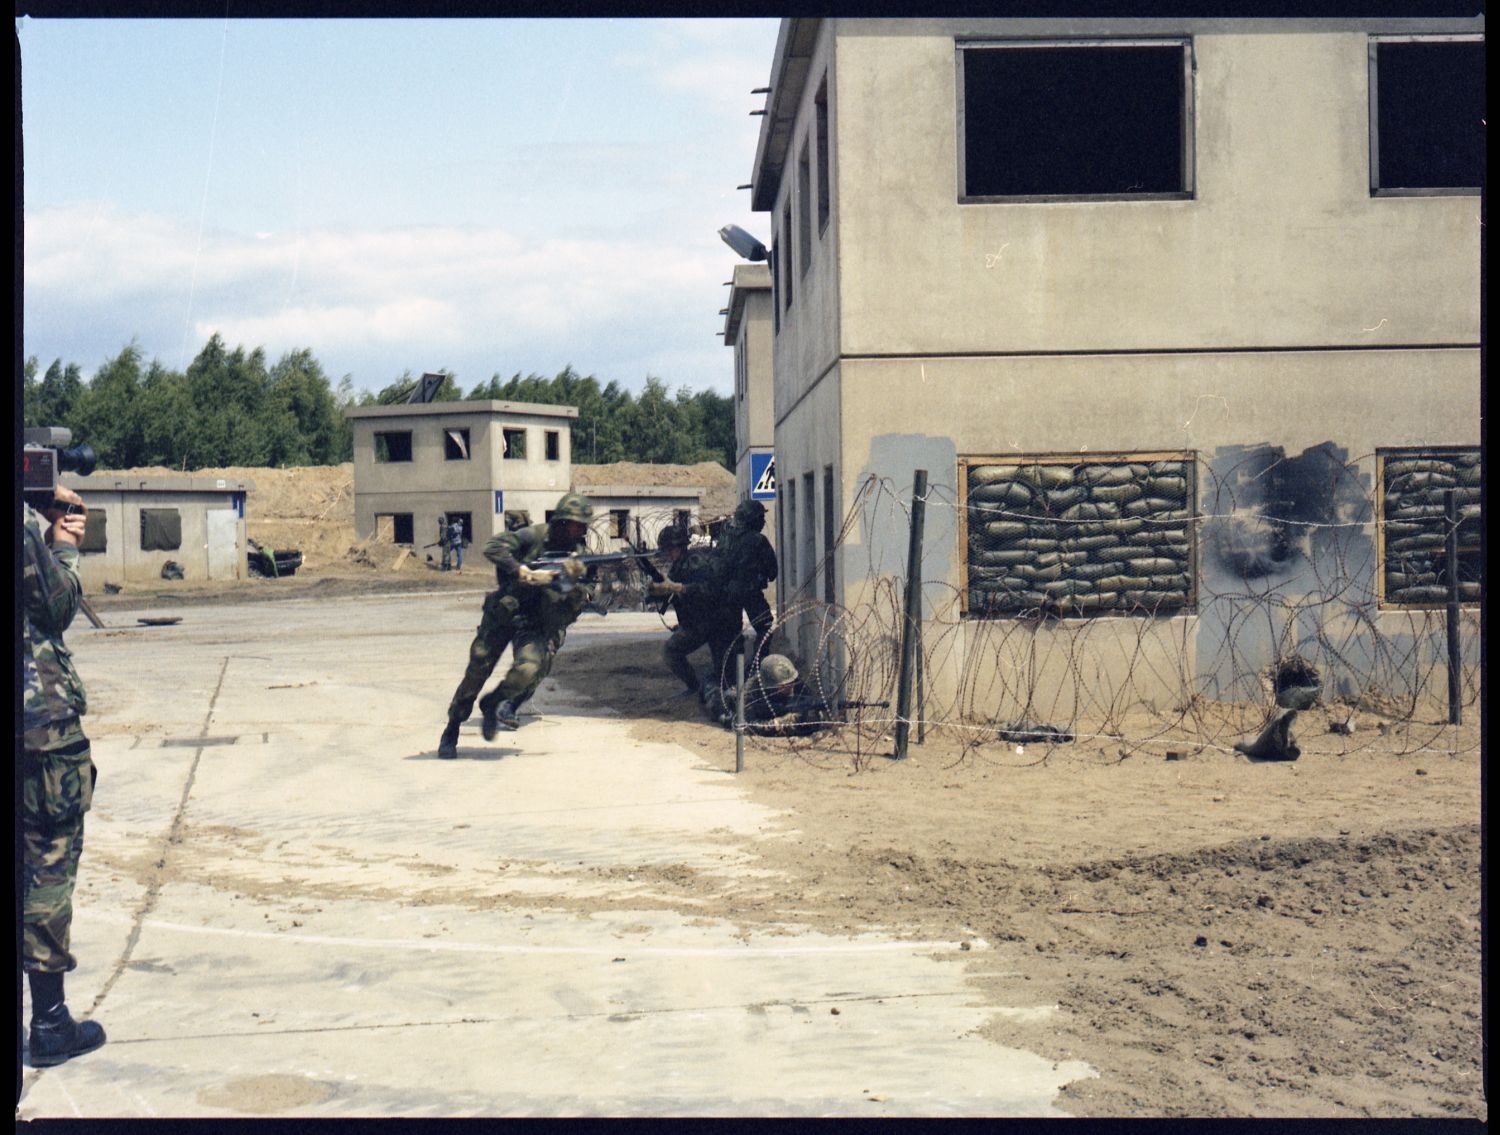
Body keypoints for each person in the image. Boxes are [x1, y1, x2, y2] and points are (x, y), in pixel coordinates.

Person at [21, 487, 107, 1066]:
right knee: (47, 868)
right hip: (37, 733)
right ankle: (50, 1022)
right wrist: (63, 547)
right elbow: (53, 609)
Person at [437, 492, 595, 758]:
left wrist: (573, 584)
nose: (581, 531)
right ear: (563, 521)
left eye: (584, 526)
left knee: (529, 669)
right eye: (577, 524)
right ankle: (452, 728)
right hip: (504, 614)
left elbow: (584, 596)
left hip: (536, 622)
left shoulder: (580, 556)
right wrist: (523, 571)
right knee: (477, 671)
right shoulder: (533, 536)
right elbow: (493, 547)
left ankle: (495, 703)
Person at [648, 525, 742, 700]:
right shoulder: (679, 565)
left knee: (726, 672)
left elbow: (710, 591)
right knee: (672, 651)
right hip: (701, 622)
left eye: (670, 550)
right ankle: (696, 688)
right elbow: (680, 599)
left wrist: (680, 588)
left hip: (719, 622)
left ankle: (722, 695)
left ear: (680, 547)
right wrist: (658, 591)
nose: (668, 555)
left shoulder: (697, 562)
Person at [702, 653, 826, 737]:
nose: (790, 687)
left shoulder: (795, 681)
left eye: (791, 683)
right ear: (770, 686)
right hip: (731, 704)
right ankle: (707, 681)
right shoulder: (750, 692)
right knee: (715, 700)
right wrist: (780, 723)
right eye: (783, 686)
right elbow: (747, 726)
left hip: (770, 713)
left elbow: (812, 709)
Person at [717, 499, 778, 660]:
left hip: (727, 594)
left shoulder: (725, 539)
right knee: (764, 628)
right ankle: (756, 664)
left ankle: (733, 672)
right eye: (760, 518)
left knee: (732, 634)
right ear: (752, 520)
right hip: (751, 593)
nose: (763, 521)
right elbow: (773, 571)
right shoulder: (758, 540)